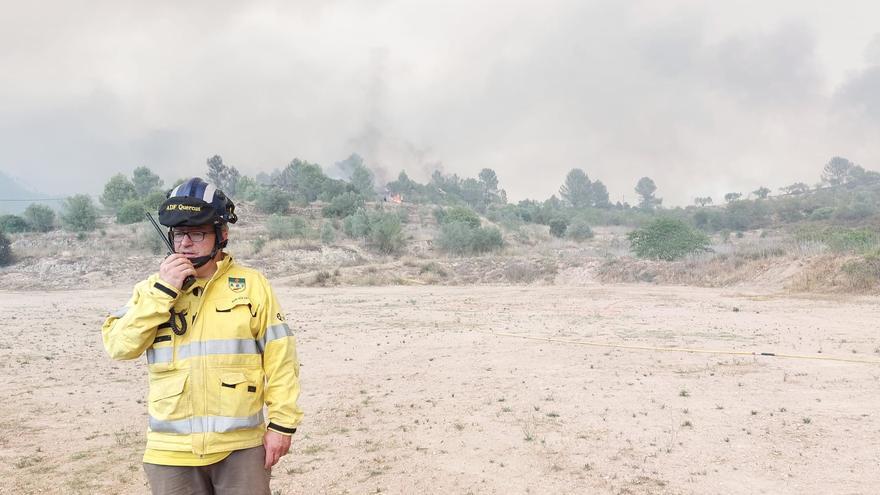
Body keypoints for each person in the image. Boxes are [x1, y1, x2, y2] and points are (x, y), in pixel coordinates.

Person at [102, 177, 302, 495]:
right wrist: (164, 291)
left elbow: (281, 359)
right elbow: (119, 346)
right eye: (179, 233)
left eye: (197, 233)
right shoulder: (151, 289)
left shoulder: (252, 286)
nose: (185, 243)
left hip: (241, 448)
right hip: (170, 453)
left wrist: (281, 424)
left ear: (222, 235)